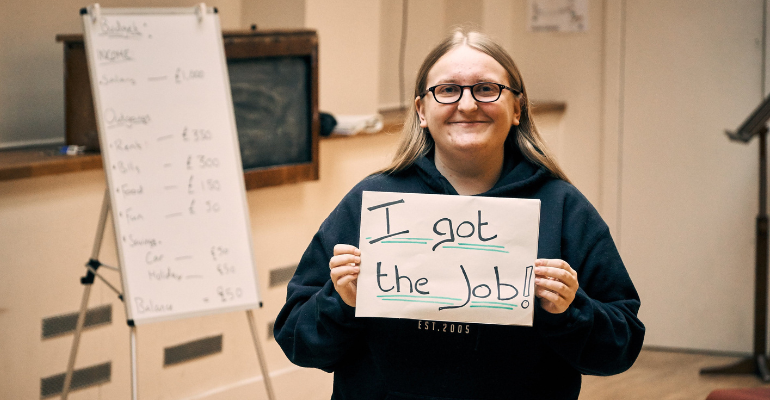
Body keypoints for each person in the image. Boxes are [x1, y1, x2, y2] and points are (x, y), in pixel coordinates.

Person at [274, 28, 644, 400]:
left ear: (517, 109)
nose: (467, 105)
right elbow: (297, 340)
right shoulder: (372, 201)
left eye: (486, 89)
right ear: (421, 110)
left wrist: (569, 309)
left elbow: (621, 346)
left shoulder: (563, 208)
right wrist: (342, 301)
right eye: (448, 90)